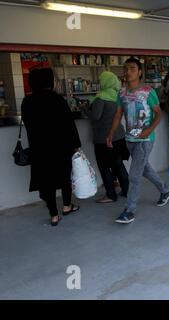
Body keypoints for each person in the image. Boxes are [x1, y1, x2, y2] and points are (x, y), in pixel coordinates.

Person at [107, 58, 169, 224]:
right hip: (130, 138)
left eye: (132, 68)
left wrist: (149, 130)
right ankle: (165, 190)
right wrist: (111, 133)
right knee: (144, 169)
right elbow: (118, 115)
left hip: (145, 139)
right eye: (126, 68)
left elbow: (159, 114)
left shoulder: (147, 91)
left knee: (134, 175)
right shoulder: (121, 93)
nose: (128, 72)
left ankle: (129, 210)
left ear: (140, 72)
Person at [21, 68, 81, 226]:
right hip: (61, 148)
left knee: (46, 182)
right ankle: (67, 206)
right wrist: (76, 145)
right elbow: (70, 126)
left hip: (39, 150)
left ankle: (54, 215)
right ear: (48, 81)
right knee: (64, 178)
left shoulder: (27, 102)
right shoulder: (57, 100)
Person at [88, 71, 129, 203]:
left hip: (104, 139)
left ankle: (111, 195)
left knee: (104, 167)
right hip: (119, 136)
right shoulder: (118, 95)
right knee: (119, 165)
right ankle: (127, 191)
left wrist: (85, 109)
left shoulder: (101, 98)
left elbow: (95, 116)